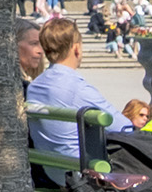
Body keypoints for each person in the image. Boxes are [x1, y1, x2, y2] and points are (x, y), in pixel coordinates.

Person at [25, 17, 118, 162]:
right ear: (76, 48)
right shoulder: (76, 87)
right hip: (82, 173)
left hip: (52, 170)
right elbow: (122, 127)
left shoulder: (34, 86)